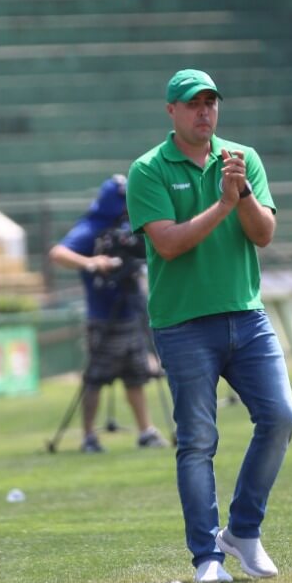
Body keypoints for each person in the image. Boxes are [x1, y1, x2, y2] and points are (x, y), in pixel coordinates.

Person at [126, 69, 292, 583]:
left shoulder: (243, 160)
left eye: (211, 102)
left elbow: (263, 234)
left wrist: (240, 192)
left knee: (281, 418)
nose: (205, 112)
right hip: (182, 325)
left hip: (246, 315)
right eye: (193, 103)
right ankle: (207, 556)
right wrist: (222, 203)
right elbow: (169, 244)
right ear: (171, 112)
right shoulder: (148, 169)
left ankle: (242, 532)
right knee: (198, 440)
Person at [47, 175, 168, 452]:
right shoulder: (91, 227)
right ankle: (88, 436)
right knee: (96, 378)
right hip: (102, 315)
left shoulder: (132, 226)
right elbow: (58, 253)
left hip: (131, 311)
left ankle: (145, 431)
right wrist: (92, 262)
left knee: (136, 376)